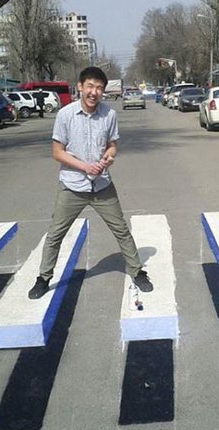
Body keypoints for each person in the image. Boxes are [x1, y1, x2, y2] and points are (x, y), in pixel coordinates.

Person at [28, 66, 153, 299]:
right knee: (55, 234)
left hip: (102, 185)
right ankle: (43, 279)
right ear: (80, 87)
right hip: (72, 186)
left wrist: (110, 156)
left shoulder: (109, 115)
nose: (94, 92)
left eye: (99, 88)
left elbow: (113, 144)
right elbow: (57, 152)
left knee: (121, 230)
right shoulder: (65, 114)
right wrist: (84, 166)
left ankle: (137, 271)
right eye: (90, 86)